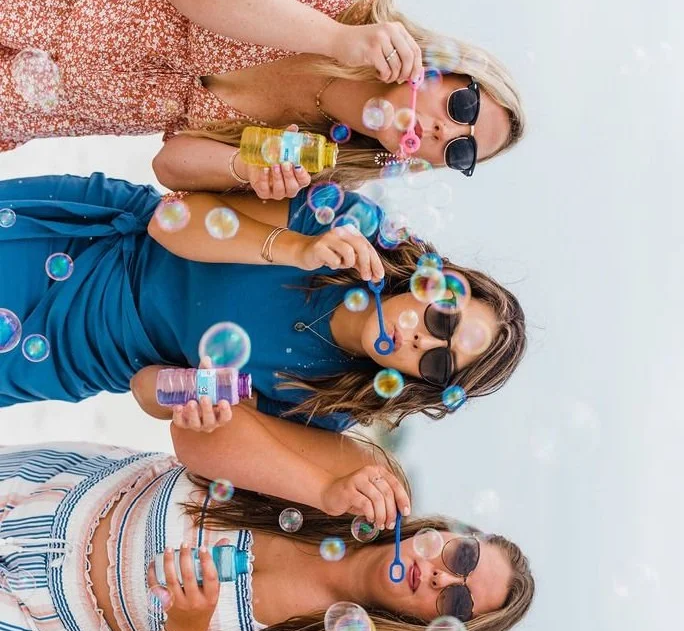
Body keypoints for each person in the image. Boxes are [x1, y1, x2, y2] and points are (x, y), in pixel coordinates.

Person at [0, 0, 524, 197]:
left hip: (39, 101)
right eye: (463, 107)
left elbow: (169, 163)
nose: (446, 132)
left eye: (460, 152)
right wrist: (337, 39)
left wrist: (244, 168)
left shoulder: (318, 156)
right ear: (446, 71)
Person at [0, 441, 534, 631]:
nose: (443, 579)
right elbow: (198, 435)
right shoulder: (365, 476)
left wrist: (187, 626)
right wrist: (326, 490)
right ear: (452, 533)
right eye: (463, 558)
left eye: (458, 605)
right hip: (56, 490)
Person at [0, 173, 527, 442]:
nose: (422, 339)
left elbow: (144, 387)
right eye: (443, 320)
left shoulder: (326, 406)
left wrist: (192, 400)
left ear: (423, 382)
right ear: (442, 286)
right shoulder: (351, 225)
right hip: (92, 242)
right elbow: (172, 220)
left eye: (438, 362)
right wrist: (299, 249)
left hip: (86, 353)